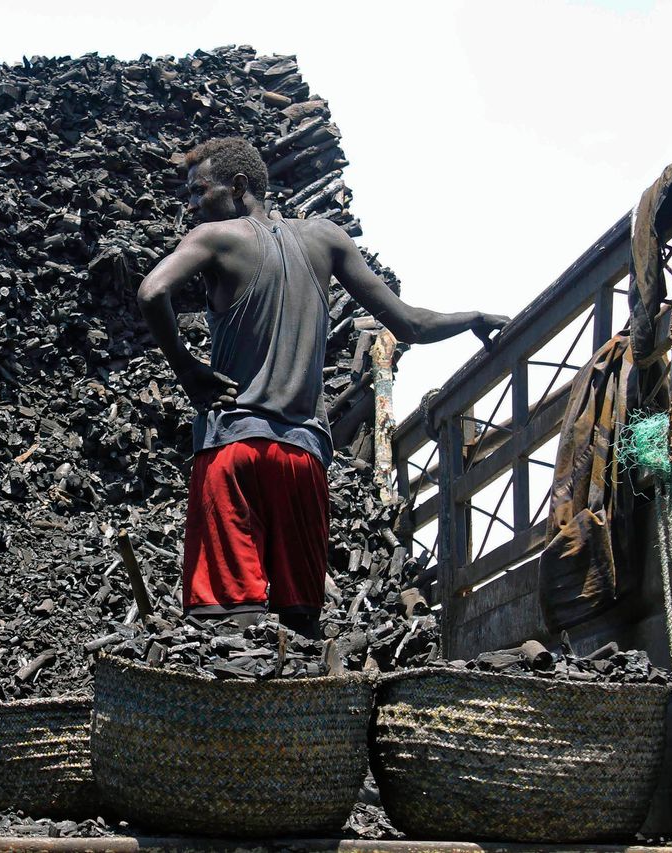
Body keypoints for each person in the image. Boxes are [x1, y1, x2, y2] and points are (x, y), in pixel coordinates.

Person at [137, 138, 508, 639]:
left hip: (233, 449)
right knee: (301, 617)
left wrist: (189, 373)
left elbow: (152, 290)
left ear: (239, 187)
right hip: (302, 457)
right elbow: (410, 323)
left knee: (222, 623)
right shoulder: (325, 239)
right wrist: (474, 318)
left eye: (199, 191)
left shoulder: (215, 237)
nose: (190, 206)